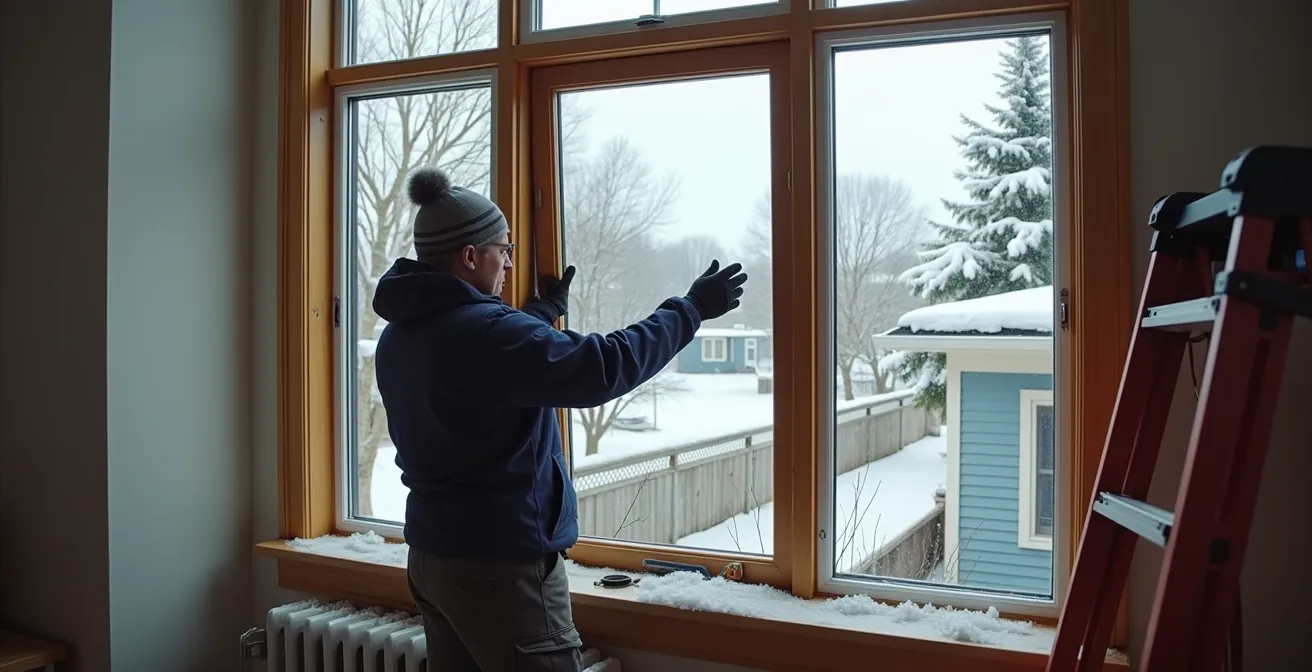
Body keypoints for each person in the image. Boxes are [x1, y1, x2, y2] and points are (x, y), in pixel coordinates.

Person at [372, 166, 748, 672]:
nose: (508, 262)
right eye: (503, 250)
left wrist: (538, 315)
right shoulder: (489, 334)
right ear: (469, 256)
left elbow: (476, 359)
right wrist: (691, 309)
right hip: (501, 571)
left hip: (433, 560)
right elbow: (602, 367)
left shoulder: (400, 335)